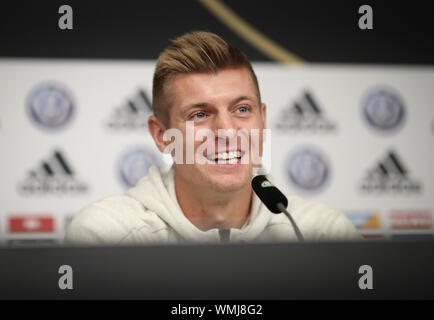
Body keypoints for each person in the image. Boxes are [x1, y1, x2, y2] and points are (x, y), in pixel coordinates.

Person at [65, 31, 360, 245]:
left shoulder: (324, 234)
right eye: (200, 115)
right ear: (161, 135)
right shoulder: (106, 236)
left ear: (263, 119)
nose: (228, 131)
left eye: (242, 109)